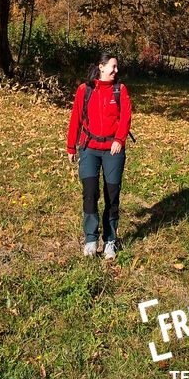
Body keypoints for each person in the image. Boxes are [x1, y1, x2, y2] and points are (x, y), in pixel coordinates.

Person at [67, 52, 132, 259]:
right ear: (101, 67)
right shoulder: (84, 90)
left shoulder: (119, 90)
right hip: (89, 149)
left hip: (113, 150)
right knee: (90, 193)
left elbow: (126, 117)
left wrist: (119, 140)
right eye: (112, 66)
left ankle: (110, 240)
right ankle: (91, 240)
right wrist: (71, 147)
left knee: (112, 196)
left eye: (116, 67)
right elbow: (75, 118)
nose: (116, 70)